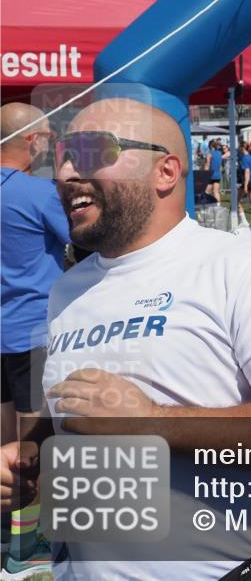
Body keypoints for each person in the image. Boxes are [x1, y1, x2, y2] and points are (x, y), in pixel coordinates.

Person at [1, 97, 251, 580]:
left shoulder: (237, 266)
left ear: (165, 171)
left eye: (92, 152)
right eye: (60, 156)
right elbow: (68, 416)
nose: (65, 173)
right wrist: (29, 457)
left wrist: (152, 422)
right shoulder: (65, 290)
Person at [0, 103, 69, 579]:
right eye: (46, 136)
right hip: (32, 332)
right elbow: (86, 236)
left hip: (5, 334)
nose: (49, 145)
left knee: (6, 441)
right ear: (31, 140)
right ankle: (26, 549)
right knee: (33, 445)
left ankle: (11, 534)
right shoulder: (39, 192)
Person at [204, 138, 223, 203]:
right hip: (217, 175)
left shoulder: (209, 154)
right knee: (216, 191)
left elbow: (207, 165)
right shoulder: (219, 153)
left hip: (210, 175)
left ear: (210, 146)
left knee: (206, 192)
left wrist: (204, 174)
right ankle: (218, 205)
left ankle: (207, 207)